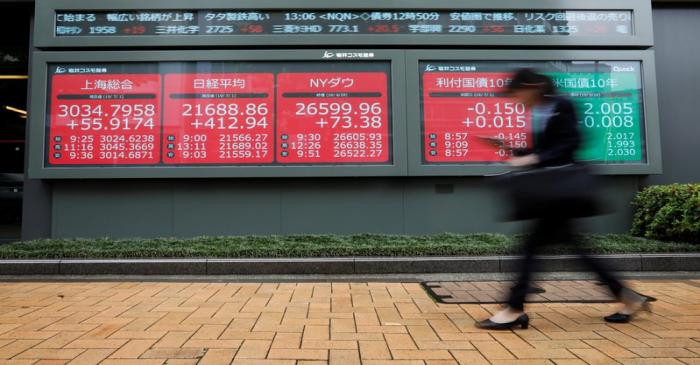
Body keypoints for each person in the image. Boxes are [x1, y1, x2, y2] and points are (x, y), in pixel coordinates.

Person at [475, 69, 650, 330]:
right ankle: (627, 297)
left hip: (561, 192)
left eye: (516, 93)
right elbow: (543, 151)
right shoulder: (538, 112)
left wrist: (531, 159)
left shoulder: (561, 105)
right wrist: (510, 147)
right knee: (578, 250)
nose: (515, 100)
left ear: (532, 86)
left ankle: (514, 308)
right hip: (555, 193)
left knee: (529, 249)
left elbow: (570, 144)